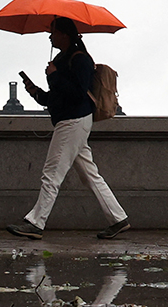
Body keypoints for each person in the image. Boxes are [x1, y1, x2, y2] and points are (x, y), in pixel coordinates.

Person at [8, 16, 130, 240]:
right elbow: (53, 99)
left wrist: (54, 75)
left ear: (64, 34)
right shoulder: (62, 59)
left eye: (53, 31)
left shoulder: (80, 59)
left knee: (51, 174)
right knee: (90, 175)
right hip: (73, 120)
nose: (50, 35)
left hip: (73, 121)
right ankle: (118, 218)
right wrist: (35, 91)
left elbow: (77, 93)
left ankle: (36, 222)